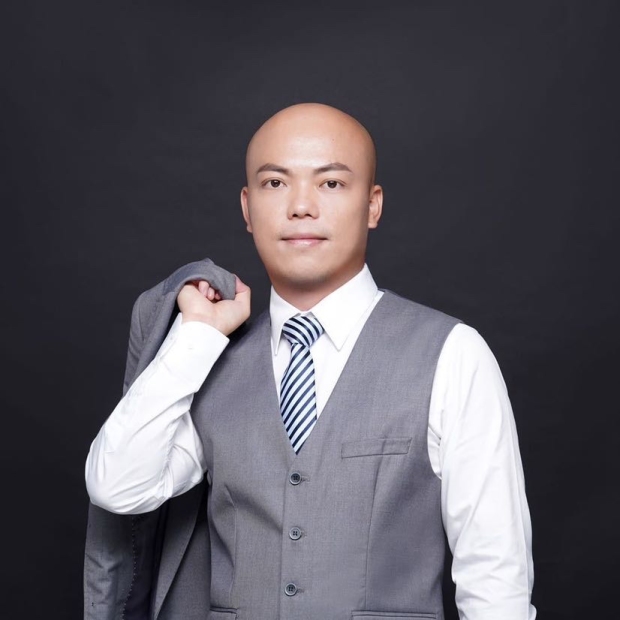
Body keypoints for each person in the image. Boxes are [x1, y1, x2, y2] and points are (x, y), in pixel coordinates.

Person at [84, 103, 536, 620]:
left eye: (331, 183)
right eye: (276, 183)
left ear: (372, 205)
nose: (301, 206)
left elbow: (495, 579)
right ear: (248, 208)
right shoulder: (209, 362)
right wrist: (195, 338)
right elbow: (118, 488)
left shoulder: (452, 354)